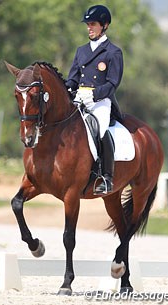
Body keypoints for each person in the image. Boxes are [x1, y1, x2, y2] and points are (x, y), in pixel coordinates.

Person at [66, 5, 124, 195]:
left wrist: (94, 94)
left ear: (104, 25)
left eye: (93, 24)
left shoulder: (113, 52)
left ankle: (107, 178)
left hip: (100, 101)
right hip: (79, 99)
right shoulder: (81, 50)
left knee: (100, 130)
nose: (89, 28)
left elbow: (112, 83)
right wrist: (68, 88)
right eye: (88, 24)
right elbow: (74, 77)